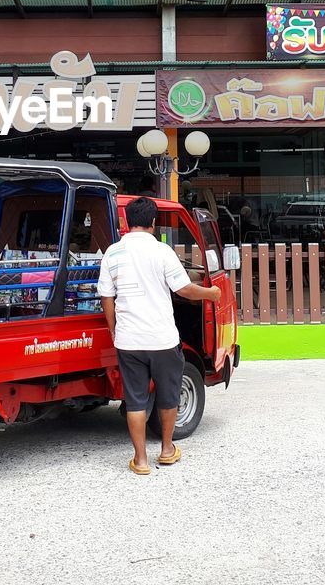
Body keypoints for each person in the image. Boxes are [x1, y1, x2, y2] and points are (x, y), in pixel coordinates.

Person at [97, 196, 222, 475]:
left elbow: (106, 295)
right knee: (168, 397)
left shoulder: (113, 253)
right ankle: (166, 450)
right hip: (162, 339)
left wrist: (113, 328)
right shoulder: (162, 251)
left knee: (136, 400)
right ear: (153, 223)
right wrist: (210, 293)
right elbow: (184, 290)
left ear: (127, 222)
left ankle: (140, 460)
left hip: (129, 341)